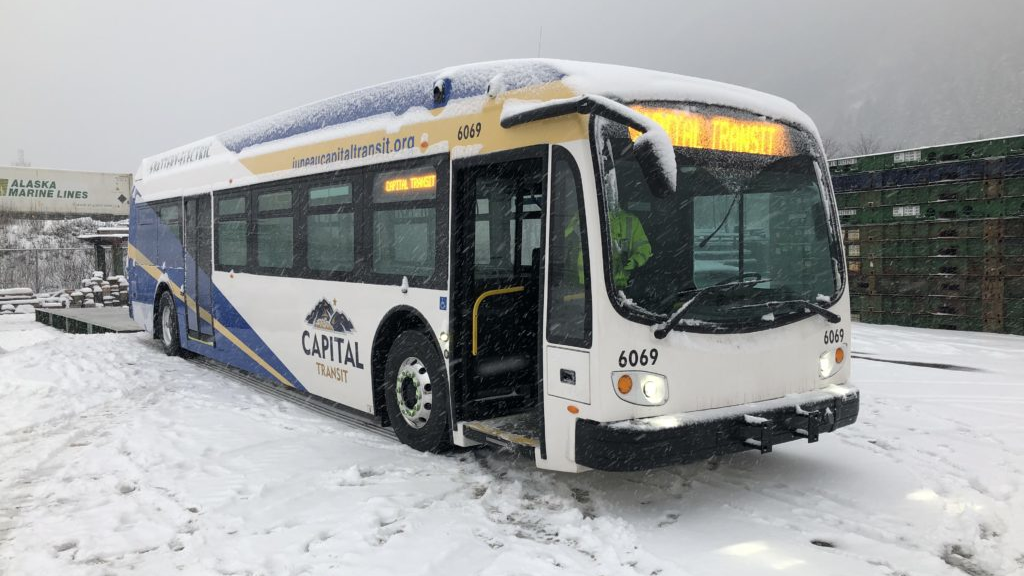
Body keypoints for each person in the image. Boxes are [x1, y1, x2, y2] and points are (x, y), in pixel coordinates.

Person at [566, 209, 651, 289]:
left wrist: (635, 261)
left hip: (618, 288)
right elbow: (564, 239)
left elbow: (644, 248)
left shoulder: (631, 220)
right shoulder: (585, 214)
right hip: (586, 286)